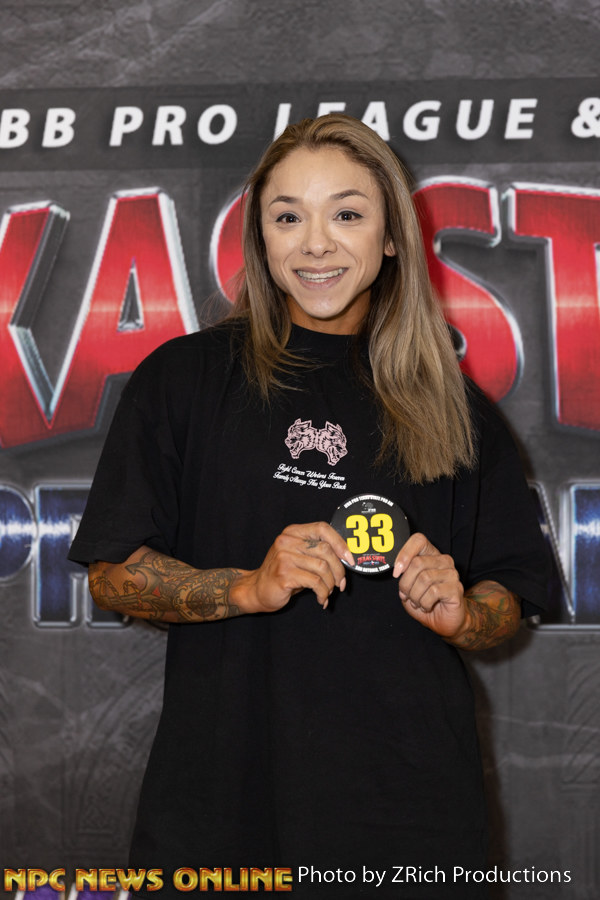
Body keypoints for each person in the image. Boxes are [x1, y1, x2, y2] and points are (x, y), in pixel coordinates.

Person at [69, 114, 548, 898]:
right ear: (261, 238)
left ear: (390, 238)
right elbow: (113, 574)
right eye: (288, 217)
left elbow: (509, 597)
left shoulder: (457, 412)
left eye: (346, 214)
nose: (315, 244)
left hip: (410, 822)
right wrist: (247, 587)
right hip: (223, 817)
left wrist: (463, 614)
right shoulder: (184, 381)